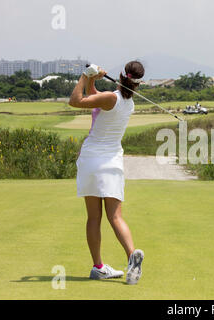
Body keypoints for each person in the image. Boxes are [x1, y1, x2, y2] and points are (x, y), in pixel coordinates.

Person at [69, 61, 145, 285]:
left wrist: (85, 75)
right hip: (112, 163)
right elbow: (95, 96)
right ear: (137, 83)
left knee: (94, 217)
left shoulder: (111, 98)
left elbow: (76, 101)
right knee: (115, 216)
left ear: (121, 75)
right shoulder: (126, 103)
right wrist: (94, 79)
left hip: (91, 161)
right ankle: (131, 256)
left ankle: (98, 266)